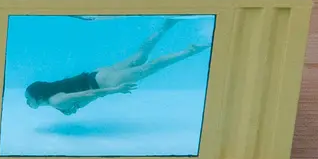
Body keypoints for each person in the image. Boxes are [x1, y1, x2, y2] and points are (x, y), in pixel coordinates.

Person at [24, 21, 212, 115]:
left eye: (28, 99)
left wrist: (114, 90)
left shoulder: (56, 100)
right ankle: (166, 26)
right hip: (97, 74)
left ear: (38, 96)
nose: (27, 103)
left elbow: (88, 95)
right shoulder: (55, 95)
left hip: (105, 83)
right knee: (141, 55)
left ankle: (189, 51)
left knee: (151, 67)